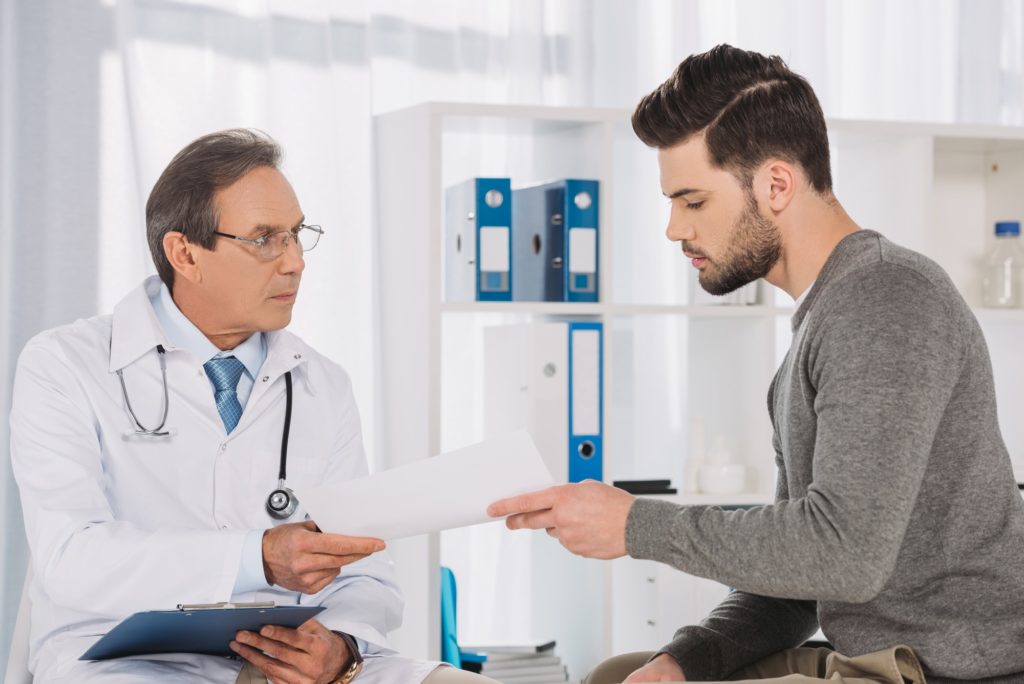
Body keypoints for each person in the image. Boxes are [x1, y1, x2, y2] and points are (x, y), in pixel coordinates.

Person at [488, 44, 1024, 684]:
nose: (673, 230)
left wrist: (635, 524)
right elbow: (798, 584)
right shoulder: (823, 321)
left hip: (952, 670)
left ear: (775, 184)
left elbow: (844, 556)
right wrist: (685, 660)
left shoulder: (888, 298)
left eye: (692, 202)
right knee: (624, 674)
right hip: (876, 658)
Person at [11, 129, 494, 684]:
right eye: (265, 239)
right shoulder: (65, 365)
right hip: (123, 660)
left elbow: (366, 576)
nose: (294, 263)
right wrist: (256, 557)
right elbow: (70, 558)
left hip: (290, 667)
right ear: (184, 253)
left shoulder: (321, 382)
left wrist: (341, 646)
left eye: (296, 235)